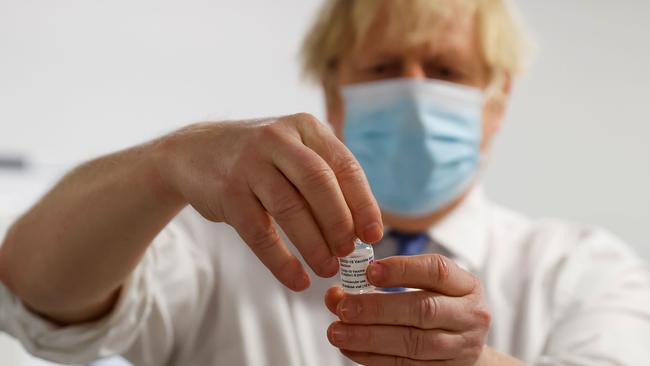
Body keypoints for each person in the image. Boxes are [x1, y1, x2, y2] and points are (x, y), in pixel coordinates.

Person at [1, 0, 650, 365]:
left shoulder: (584, 270)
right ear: (333, 95)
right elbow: (37, 300)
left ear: (497, 102)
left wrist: (473, 365)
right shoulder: (214, 243)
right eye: (386, 66)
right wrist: (162, 164)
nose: (416, 93)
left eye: (449, 70)